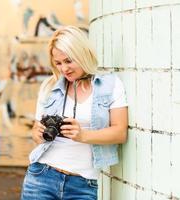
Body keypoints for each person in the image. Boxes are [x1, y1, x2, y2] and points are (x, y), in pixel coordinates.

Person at [21, 25, 128, 200]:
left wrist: (83, 135)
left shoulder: (110, 85)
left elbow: (120, 132)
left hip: (83, 184)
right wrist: (38, 133)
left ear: (83, 54)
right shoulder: (49, 87)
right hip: (41, 176)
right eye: (58, 63)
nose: (64, 69)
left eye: (69, 61)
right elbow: (35, 131)